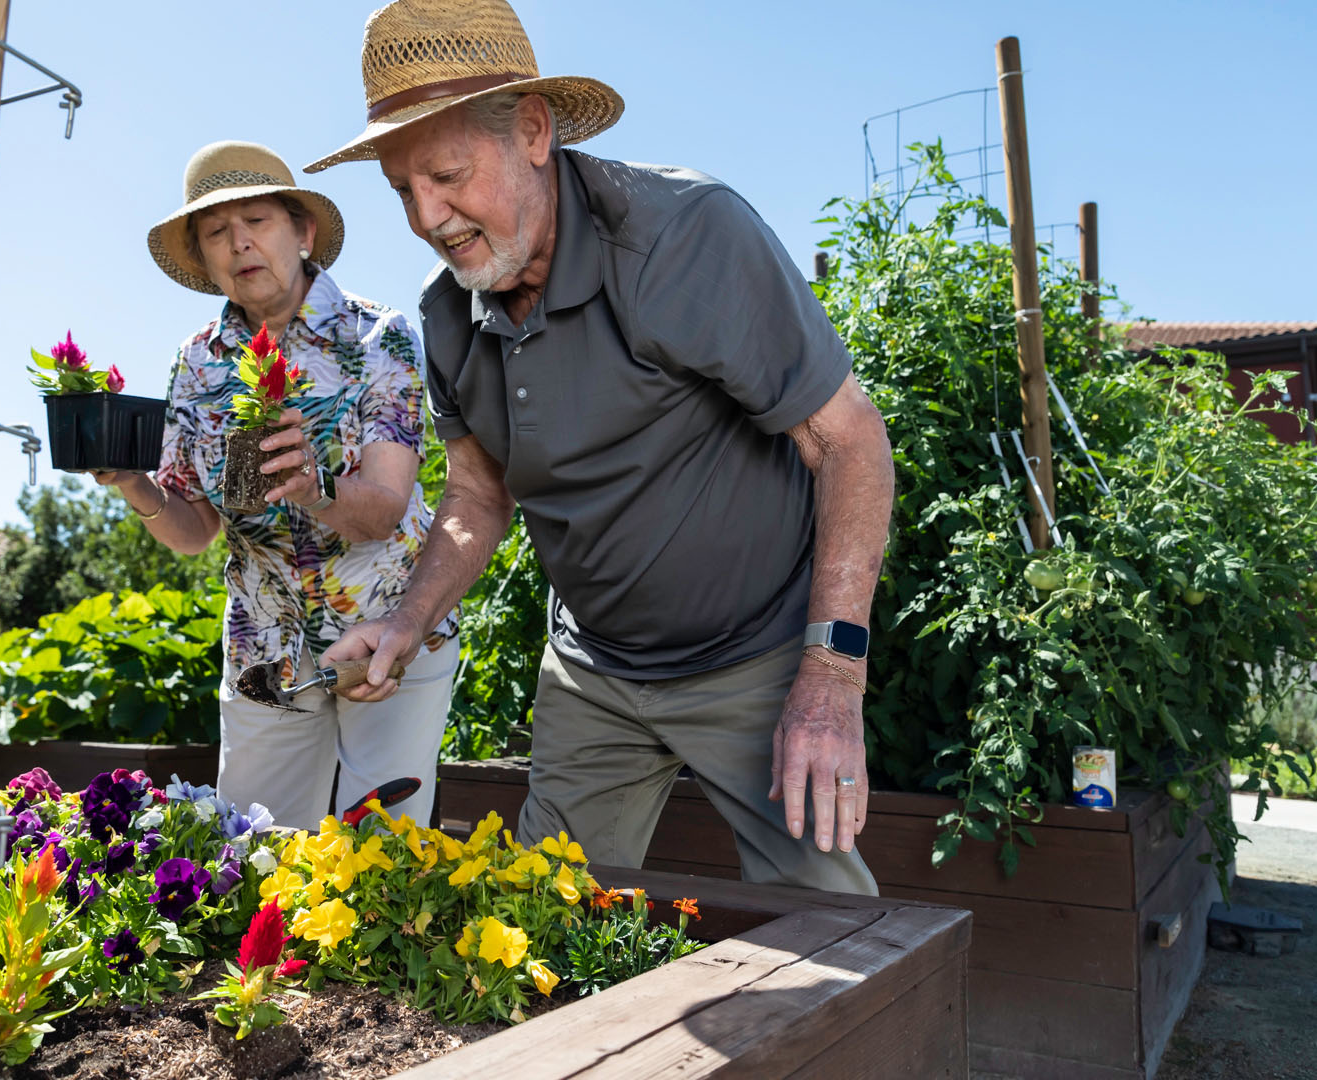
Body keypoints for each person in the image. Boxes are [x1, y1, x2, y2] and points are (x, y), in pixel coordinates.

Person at [311, 0, 894, 893]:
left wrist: (830, 674)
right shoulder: (446, 312)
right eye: (401, 190)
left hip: (759, 659)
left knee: (836, 941)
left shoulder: (685, 236)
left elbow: (850, 442)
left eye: (448, 175)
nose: (429, 216)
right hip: (595, 673)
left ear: (535, 131)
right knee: (540, 924)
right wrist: (405, 621)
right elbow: (476, 497)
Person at [94, 140, 460, 830]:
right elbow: (195, 529)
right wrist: (131, 483)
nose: (239, 244)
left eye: (257, 221)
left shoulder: (378, 334)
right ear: (202, 260)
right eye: (215, 233)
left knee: (384, 851)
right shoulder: (198, 363)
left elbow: (382, 511)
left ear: (303, 232)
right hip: (265, 644)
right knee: (255, 847)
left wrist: (313, 486)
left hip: (389, 631)